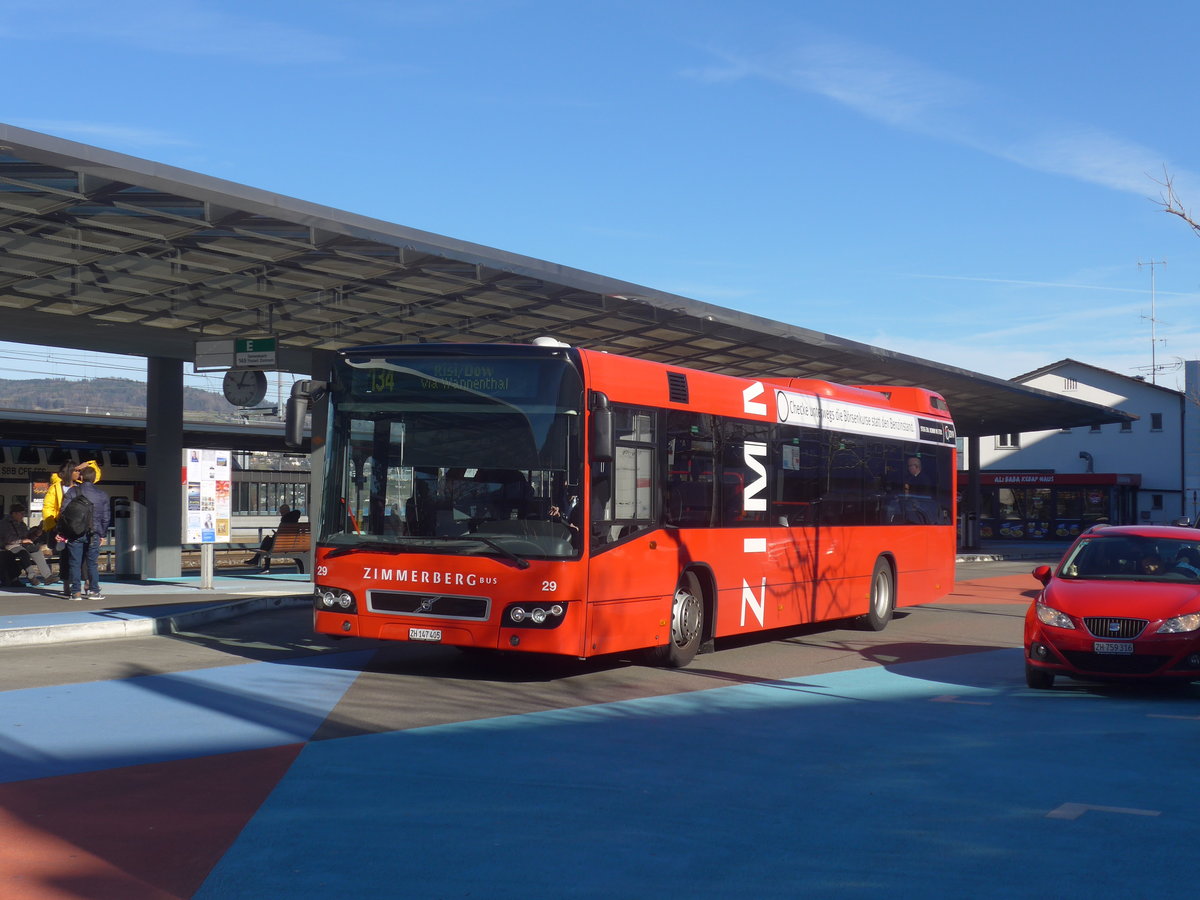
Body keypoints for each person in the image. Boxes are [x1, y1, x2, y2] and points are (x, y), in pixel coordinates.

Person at [61, 466, 111, 602]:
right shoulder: (102, 495)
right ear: (94, 479)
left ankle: (76, 593)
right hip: (94, 533)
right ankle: (94, 591)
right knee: (92, 563)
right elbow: (106, 517)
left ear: (81, 477)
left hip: (75, 532)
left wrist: (63, 531)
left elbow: (64, 512)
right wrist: (102, 534)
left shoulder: (72, 491)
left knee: (75, 563)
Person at [0, 504, 54, 586]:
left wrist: (36, 534)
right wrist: (22, 541)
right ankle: (31, 576)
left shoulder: (22, 524)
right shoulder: (4, 523)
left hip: (21, 545)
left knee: (36, 550)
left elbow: (27, 538)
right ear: (14, 513)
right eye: (21, 513)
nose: (23, 515)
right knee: (23, 552)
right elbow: (8, 539)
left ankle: (48, 576)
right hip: (8, 546)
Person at [245, 504, 302, 568]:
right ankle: (302, 569)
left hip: (281, 545)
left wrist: (276, 534)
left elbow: (281, 535)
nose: (281, 514)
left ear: (285, 511)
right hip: (293, 545)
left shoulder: (284, 520)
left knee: (267, 541)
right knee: (269, 541)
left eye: (281, 512)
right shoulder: (294, 520)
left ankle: (260, 562)